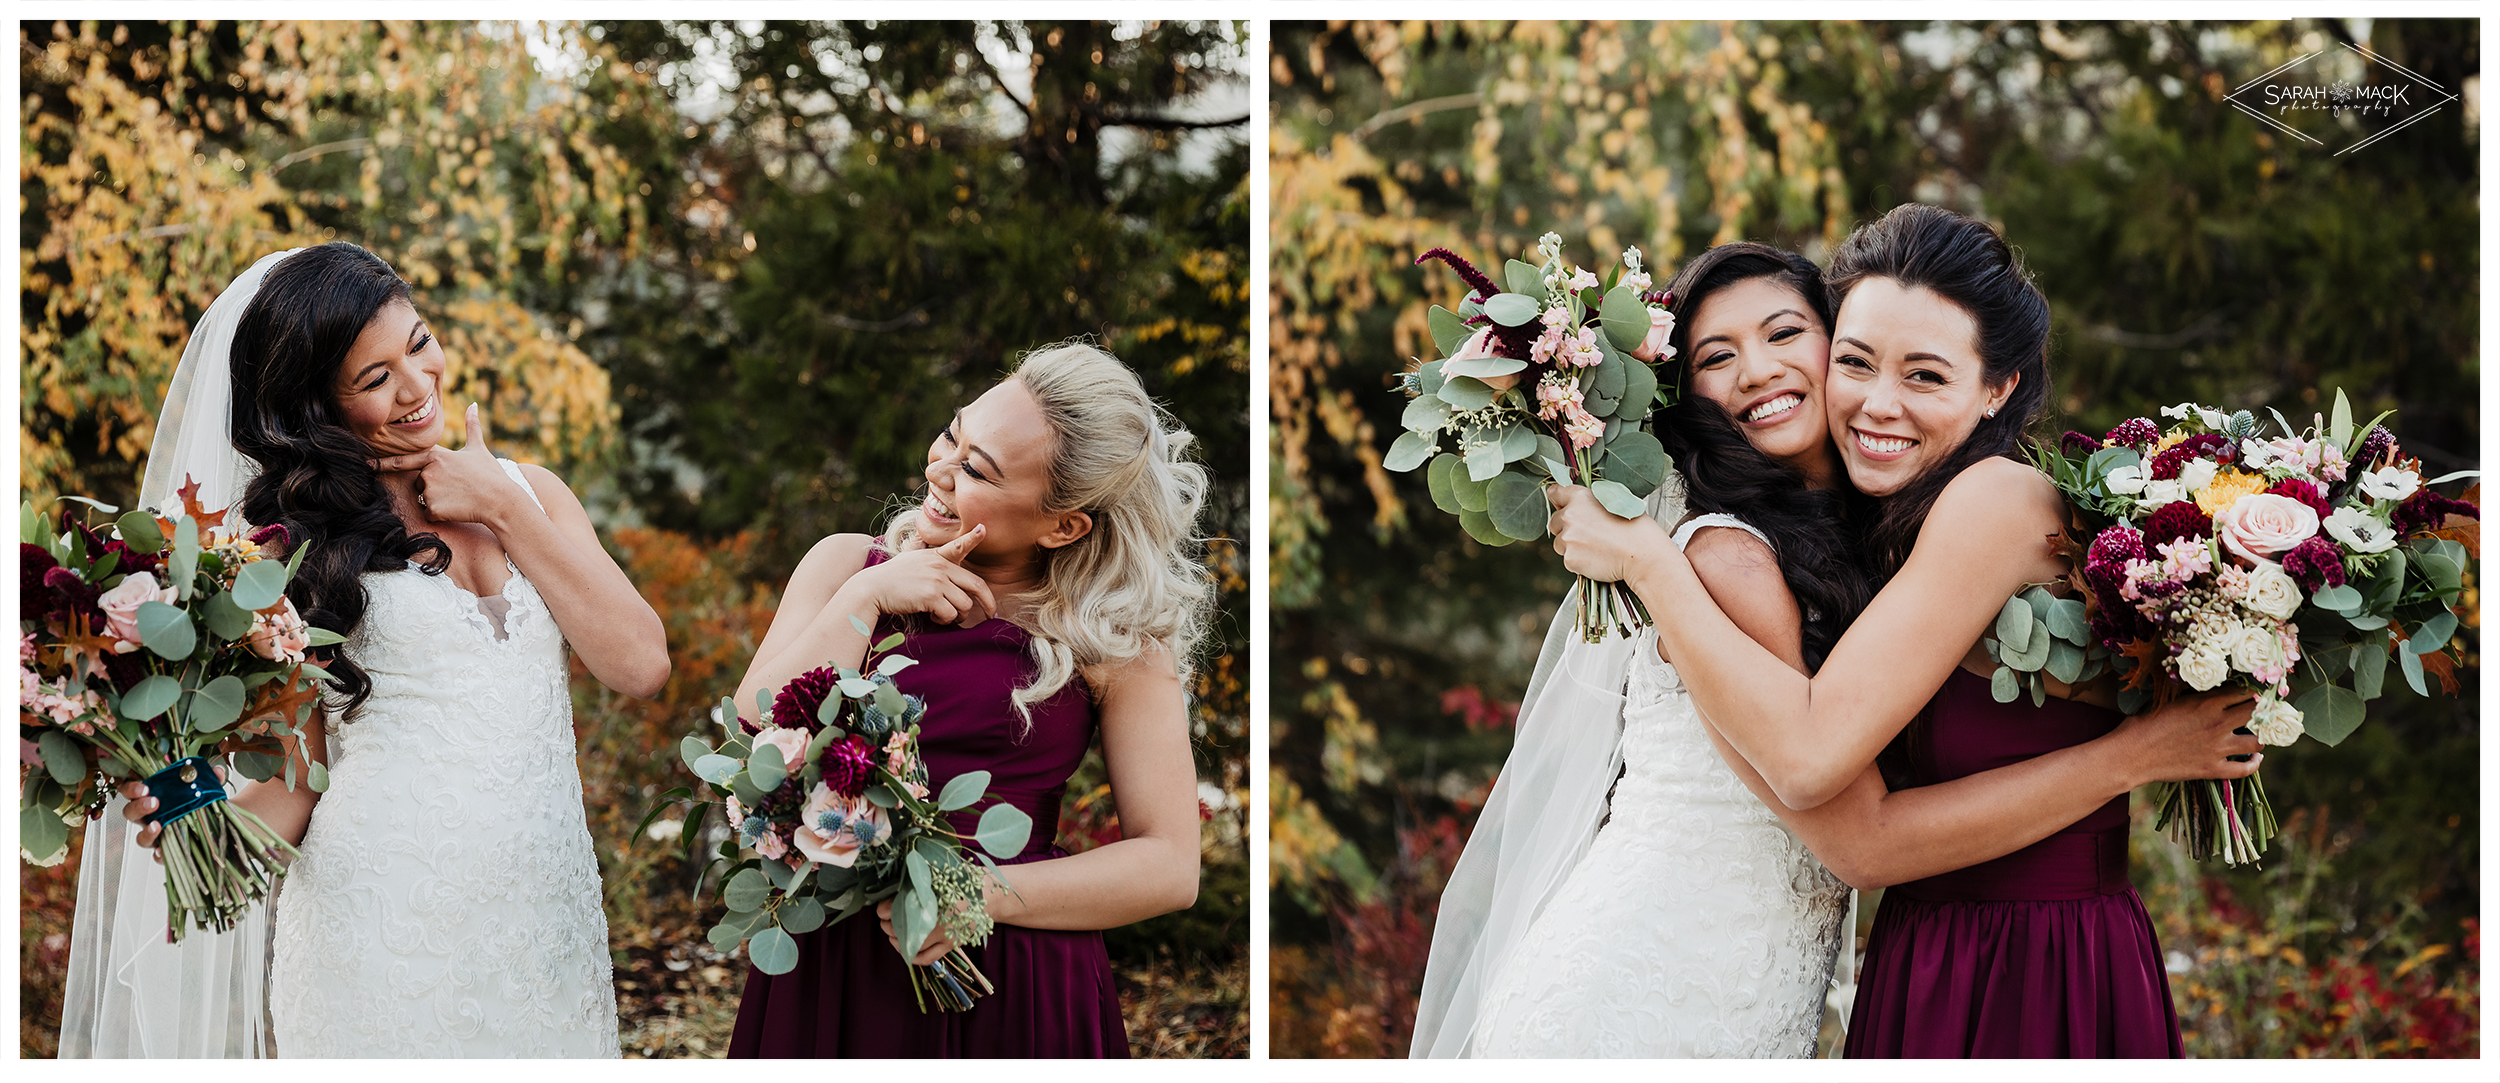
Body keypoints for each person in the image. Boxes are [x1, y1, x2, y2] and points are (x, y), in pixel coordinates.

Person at [1418, 230, 2256, 1058]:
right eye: (1857, 363)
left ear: (1999, 386)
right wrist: (1647, 559)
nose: (1876, 400)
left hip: (2004, 960)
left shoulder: (1923, 527)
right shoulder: (1730, 555)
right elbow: (1840, 806)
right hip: (1660, 990)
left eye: (1788, 335)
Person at [82, 243, 669, 1057]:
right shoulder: (288, 554)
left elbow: (641, 665)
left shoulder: (533, 494)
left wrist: (502, 504)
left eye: (418, 343)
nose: (417, 386)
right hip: (380, 941)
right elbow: (295, 782)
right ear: (318, 406)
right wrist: (198, 821)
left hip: (548, 930)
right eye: (374, 378)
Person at [725, 341, 1210, 1058]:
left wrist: (977, 894)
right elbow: (756, 721)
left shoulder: (1114, 642)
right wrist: (868, 597)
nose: (939, 470)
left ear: (1063, 523)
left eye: (977, 470)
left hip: (1008, 979)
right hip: (833, 961)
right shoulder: (842, 567)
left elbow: (1171, 864)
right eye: (953, 434)